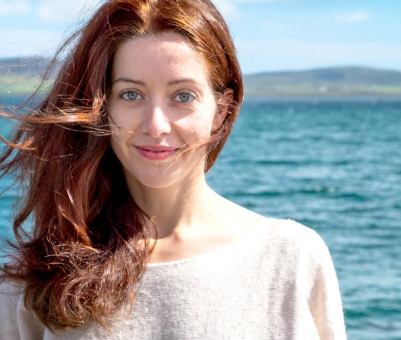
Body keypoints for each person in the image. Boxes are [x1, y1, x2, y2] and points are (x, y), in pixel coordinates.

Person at [0, 0, 347, 339]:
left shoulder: (292, 259)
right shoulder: (34, 281)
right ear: (103, 108)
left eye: (183, 96)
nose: (156, 125)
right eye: (131, 95)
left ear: (222, 110)